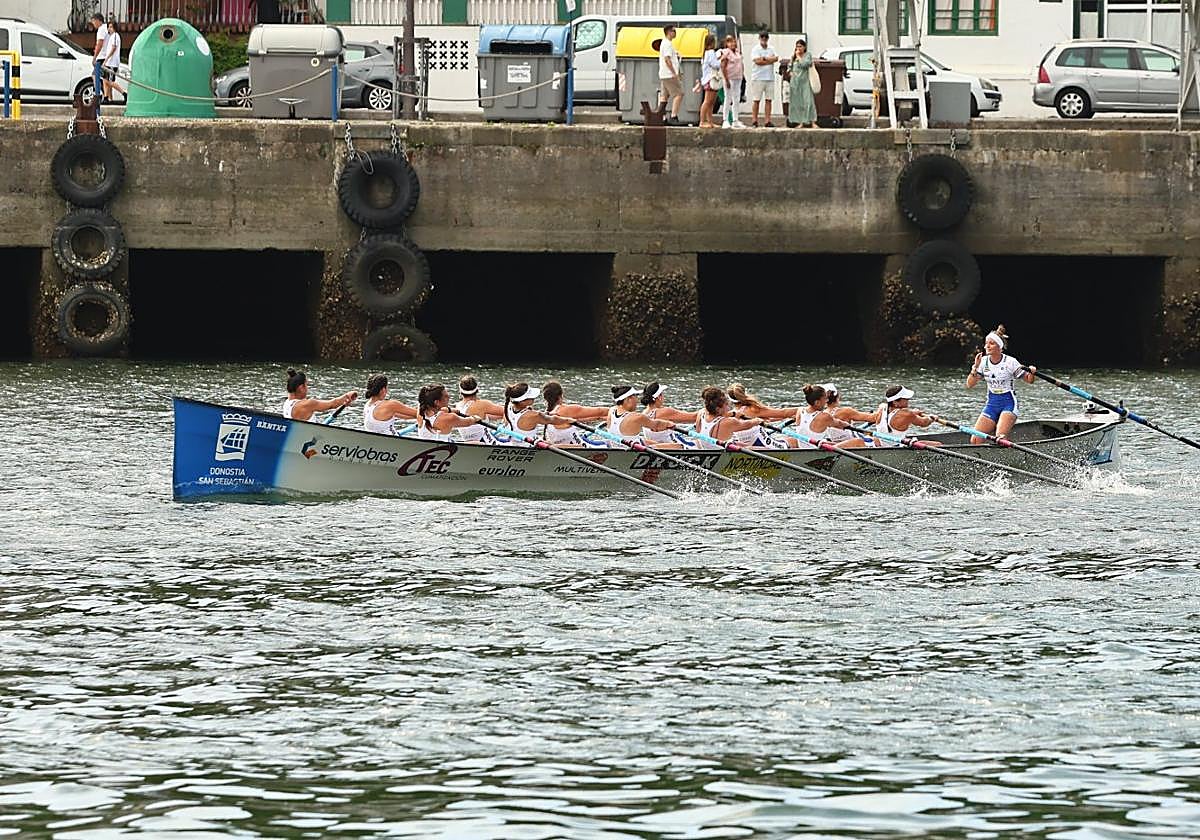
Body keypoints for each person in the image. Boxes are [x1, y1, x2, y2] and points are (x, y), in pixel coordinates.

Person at [966, 325, 1036, 443]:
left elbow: (1029, 380)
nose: (987, 346)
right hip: (992, 405)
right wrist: (975, 367)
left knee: (1000, 438)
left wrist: (1032, 372)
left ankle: (1005, 450)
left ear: (1000, 347)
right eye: (986, 343)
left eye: (991, 343)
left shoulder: (1010, 362)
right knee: (975, 440)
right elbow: (969, 384)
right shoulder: (983, 362)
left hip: (1008, 404)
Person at [694, 386, 767, 448]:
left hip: (704, 448)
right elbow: (747, 424)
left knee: (737, 443)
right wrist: (757, 421)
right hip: (721, 453)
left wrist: (733, 413)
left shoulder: (701, 413)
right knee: (760, 449)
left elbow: (718, 416)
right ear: (718, 409)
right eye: (726, 404)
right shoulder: (729, 422)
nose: (729, 407)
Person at [502, 382, 573, 446]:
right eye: (531, 397)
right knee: (580, 446)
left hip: (513, 443)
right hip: (530, 447)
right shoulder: (534, 415)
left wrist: (546, 413)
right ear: (522, 401)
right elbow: (553, 420)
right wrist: (568, 420)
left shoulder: (507, 409)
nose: (534, 398)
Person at [541, 381, 609, 446]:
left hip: (567, 448)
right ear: (560, 396)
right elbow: (600, 411)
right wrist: (615, 410)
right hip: (582, 448)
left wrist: (599, 418)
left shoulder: (547, 414)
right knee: (608, 443)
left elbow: (581, 419)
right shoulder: (566, 410)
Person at [789, 384, 856, 449]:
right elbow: (839, 424)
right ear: (817, 402)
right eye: (825, 399)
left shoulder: (799, 411)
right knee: (858, 441)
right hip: (816, 451)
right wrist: (848, 425)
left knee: (827, 442)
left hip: (804, 448)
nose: (827, 401)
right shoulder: (824, 416)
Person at [609, 385, 680, 444]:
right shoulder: (637, 417)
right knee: (678, 446)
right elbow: (656, 425)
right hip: (632, 451)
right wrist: (668, 424)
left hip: (617, 446)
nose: (637, 400)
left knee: (654, 443)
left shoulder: (611, 410)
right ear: (629, 399)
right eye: (636, 396)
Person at [415, 383, 485, 441]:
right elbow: (468, 422)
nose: (449, 397)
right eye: (445, 396)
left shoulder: (421, 409)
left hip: (430, 448)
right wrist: (475, 418)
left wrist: (449, 410)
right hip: (441, 450)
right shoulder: (450, 418)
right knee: (479, 443)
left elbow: (439, 411)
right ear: (437, 402)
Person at [282, 368, 356, 422]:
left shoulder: (286, 403)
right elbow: (332, 404)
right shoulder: (308, 404)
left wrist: (344, 403)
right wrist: (347, 396)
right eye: (306, 385)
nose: (307, 388)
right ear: (301, 387)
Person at [821, 383, 881, 449]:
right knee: (877, 440)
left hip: (838, 443)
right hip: (852, 443)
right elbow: (873, 418)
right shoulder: (846, 411)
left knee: (868, 435)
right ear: (838, 396)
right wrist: (881, 408)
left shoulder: (823, 414)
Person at [454, 375, 505, 444]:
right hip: (487, 442)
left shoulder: (457, 406)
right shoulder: (482, 404)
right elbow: (508, 411)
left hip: (471, 442)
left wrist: (501, 416)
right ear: (477, 390)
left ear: (460, 392)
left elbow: (482, 416)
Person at [749, 31, 778, 128]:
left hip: (769, 77)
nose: (764, 38)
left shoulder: (772, 48)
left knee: (769, 100)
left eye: (766, 37)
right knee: (756, 100)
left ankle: (767, 121)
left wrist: (764, 59)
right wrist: (769, 60)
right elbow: (757, 61)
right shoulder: (755, 49)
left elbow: (776, 58)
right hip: (758, 77)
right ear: (759, 38)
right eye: (762, 37)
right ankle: (754, 120)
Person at [727, 383, 799, 422]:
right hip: (759, 443)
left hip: (744, 443)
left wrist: (786, 417)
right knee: (793, 441)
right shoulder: (753, 409)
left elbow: (769, 419)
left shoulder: (730, 413)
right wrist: (802, 410)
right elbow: (783, 412)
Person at [657, 25, 684, 126]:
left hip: (663, 74)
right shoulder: (667, 44)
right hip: (669, 75)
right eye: (674, 31)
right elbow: (667, 59)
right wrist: (674, 73)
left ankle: (661, 117)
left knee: (664, 96)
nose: (675, 32)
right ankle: (673, 116)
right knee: (679, 94)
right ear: (669, 32)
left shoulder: (664, 43)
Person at [787, 39, 816, 128]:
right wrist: (790, 72)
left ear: (804, 47)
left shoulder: (807, 55)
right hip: (795, 82)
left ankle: (812, 121)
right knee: (797, 103)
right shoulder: (793, 57)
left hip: (805, 81)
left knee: (808, 101)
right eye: (797, 46)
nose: (798, 48)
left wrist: (799, 57)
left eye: (800, 46)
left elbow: (805, 64)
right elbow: (789, 67)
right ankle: (801, 122)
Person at [719, 34, 745, 129]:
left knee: (736, 99)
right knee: (728, 98)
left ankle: (735, 119)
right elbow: (723, 66)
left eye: (734, 41)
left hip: (738, 78)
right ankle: (725, 120)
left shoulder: (737, 53)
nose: (733, 44)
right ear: (726, 44)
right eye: (730, 42)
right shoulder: (726, 53)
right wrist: (726, 79)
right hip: (729, 78)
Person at [699, 34, 721, 129]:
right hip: (710, 79)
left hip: (708, 79)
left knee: (711, 102)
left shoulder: (705, 53)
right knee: (708, 101)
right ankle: (702, 121)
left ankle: (710, 121)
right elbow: (715, 64)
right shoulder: (711, 52)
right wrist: (722, 59)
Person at [100, 15, 124, 104]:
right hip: (110, 62)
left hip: (112, 63)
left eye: (110, 27)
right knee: (105, 81)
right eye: (108, 27)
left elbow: (113, 48)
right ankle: (108, 98)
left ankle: (124, 93)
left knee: (110, 81)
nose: (109, 29)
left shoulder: (115, 36)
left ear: (114, 28)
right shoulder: (112, 36)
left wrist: (106, 60)